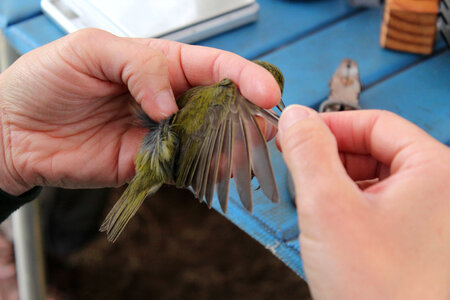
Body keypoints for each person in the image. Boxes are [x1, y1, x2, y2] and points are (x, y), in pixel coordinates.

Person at [0, 29, 449, 298]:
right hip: (163, 149)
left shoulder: (216, 98)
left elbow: (210, 142)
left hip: (160, 148)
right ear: (247, 94)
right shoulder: (225, 101)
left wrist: (10, 148)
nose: (263, 107)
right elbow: (221, 136)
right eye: (260, 99)